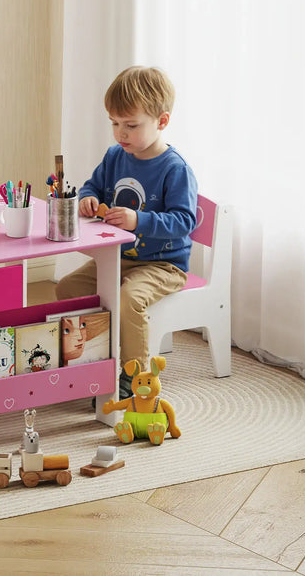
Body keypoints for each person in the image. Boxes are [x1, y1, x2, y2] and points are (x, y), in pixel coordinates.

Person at [55, 66, 198, 398]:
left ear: (161, 121)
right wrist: (88, 199)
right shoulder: (115, 156)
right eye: (115, 124)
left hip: (162, 264)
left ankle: (135, 375)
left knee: (130, 299)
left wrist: (139, 221)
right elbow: (93, 185)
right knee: (68, 287)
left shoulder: (175, 169)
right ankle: (92, 358)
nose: (121, 133)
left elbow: (184, 222)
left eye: (131, 125)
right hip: (119, 258)